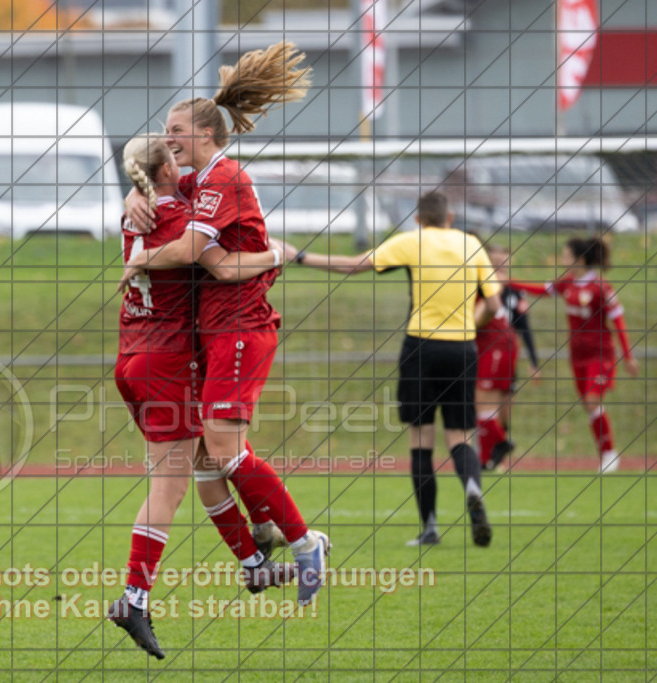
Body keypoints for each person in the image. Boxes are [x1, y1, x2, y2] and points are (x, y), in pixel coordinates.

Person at [120, 41, 330, 607]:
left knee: (223, 448)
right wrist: (132, 198)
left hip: (240, 324)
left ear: (206, 135)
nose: (168, 138)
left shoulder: (226, 177)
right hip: (209, 331)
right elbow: (158, 192)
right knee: (211, 457)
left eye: (177, 129)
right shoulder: (194, 181)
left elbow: (194, 250)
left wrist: (140, 256)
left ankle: (304, 541)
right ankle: (259, 548)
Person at [107, 134, 290, 659]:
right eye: (173, 154)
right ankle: (133, 598)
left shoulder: (135, 215)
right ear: (167, 170)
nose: (181, 156)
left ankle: (254, 567)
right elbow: (208, 253)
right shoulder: (178, 218)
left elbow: (169, 194)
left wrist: (131, 194)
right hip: (165, 360)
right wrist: (278, 255)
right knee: (169, 487)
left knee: (209, 461)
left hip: (132, 355)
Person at [282, 191, 500, 547]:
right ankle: (472, 486)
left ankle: (430, 527)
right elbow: (493, 302)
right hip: (463, 349)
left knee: (421, 440)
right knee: (460, 436)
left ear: (418, 219)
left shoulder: (411, 242)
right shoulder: (471, 244)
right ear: (451, 216)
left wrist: (301, 256)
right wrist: (471, 326)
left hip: (422, 348)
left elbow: (354, 265)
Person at [511, 237, 638, 473]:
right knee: (589, 405)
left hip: (601, 356)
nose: (563, 260)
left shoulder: (601, 287)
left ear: (579, 260)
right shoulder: (568, 283)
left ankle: (609, 454)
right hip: (576, 356)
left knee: (592, 400)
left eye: (566, 256)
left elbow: (618, 321)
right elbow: (542, 290)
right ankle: (605, 453)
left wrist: (628, 356)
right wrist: (511, 283)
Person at [474, 245, 541, 472]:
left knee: (490, 404)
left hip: (499, 347)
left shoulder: (504, 288)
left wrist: (534, 361)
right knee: (485, 405)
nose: (500, 265)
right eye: (495, 261)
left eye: (503, 261)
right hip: (490, 347)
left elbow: (524, 327)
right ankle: (487, 459)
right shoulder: (485, 281)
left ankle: (500, 444)